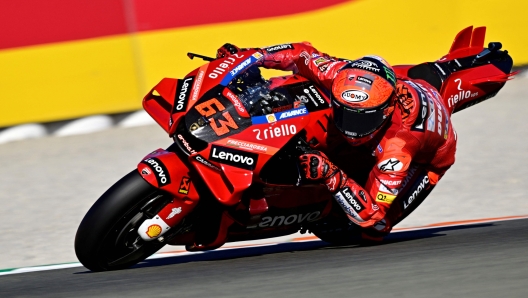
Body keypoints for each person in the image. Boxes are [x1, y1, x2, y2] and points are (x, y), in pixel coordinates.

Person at [217, 42, 457, 240]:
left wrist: (332, 175)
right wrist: (247, 58)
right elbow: (300, 53)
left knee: (371, 231)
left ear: (385, 111)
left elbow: (374, 217)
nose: (352, 128)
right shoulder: (338, 74)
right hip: (401, 85)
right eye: (345, 113)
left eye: (362, 120)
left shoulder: (399, 149)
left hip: (427, 160)